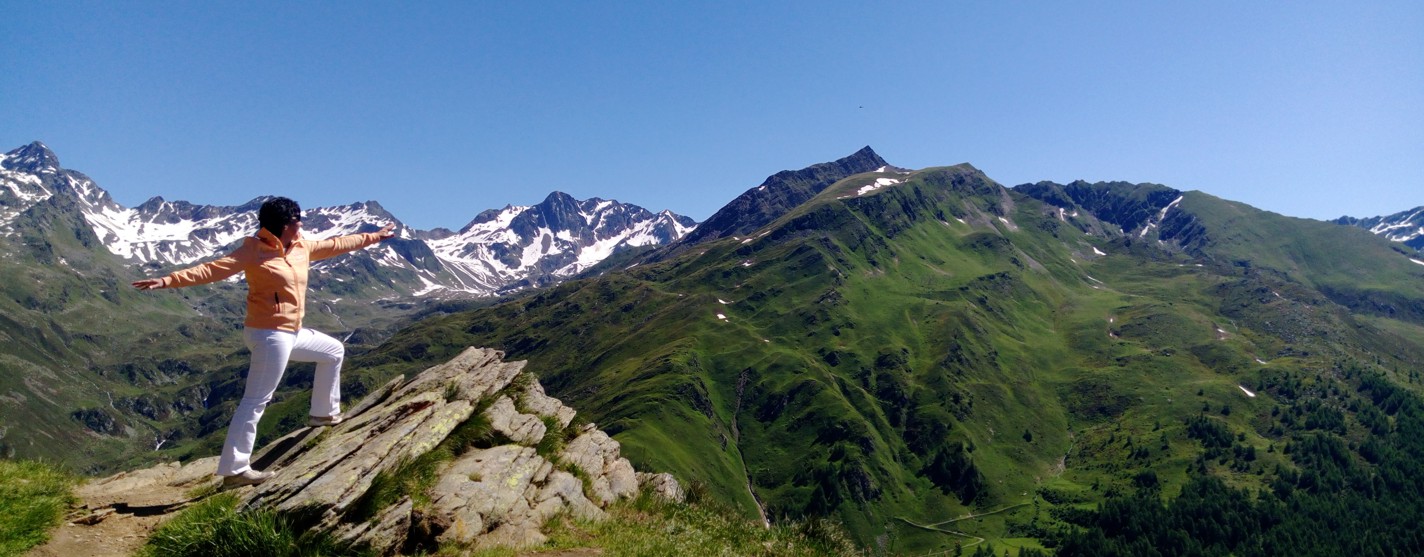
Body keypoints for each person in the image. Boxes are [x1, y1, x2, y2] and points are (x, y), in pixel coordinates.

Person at [132, 197, 395, 488]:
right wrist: (168, 280)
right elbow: (213, 269)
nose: (302, 224)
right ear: (285, 225)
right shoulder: (253, 252)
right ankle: (234, 470)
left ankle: (323, 414)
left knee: (333, 351)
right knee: (256, 400)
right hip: (269, 334)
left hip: (290, 332)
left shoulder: (301, 247)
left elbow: (337, 244)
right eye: (298, 220)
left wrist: (376, 237)